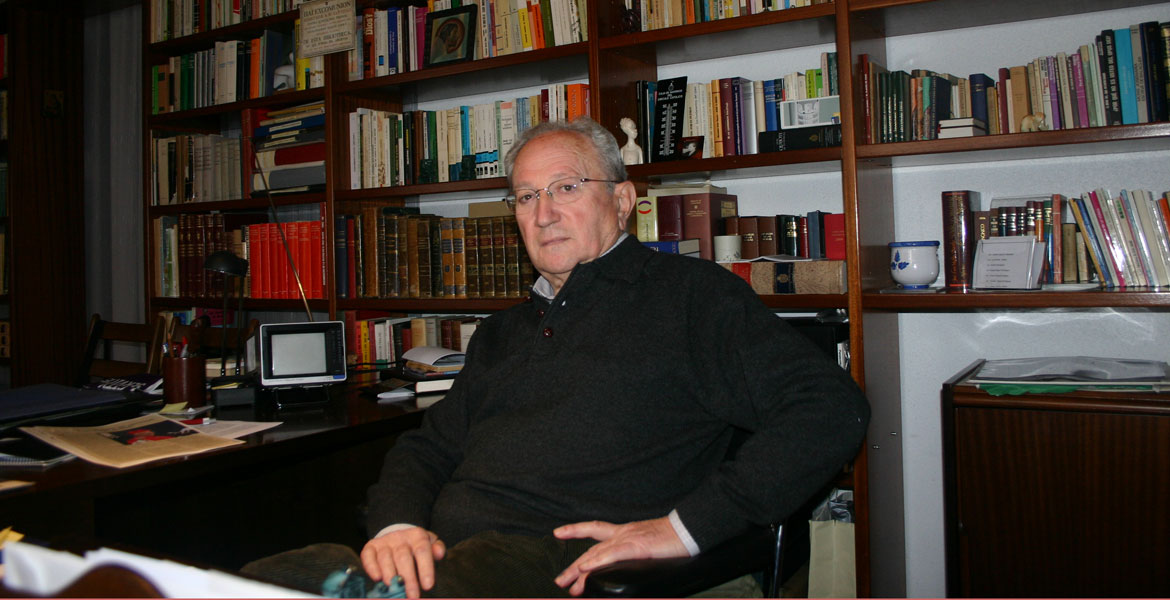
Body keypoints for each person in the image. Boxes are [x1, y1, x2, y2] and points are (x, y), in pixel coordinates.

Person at [242, 117, 868, 598]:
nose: (543, 214)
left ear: (621, 201)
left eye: (566, 187)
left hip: (552, 563)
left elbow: (831, 410)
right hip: (439, 556)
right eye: (524, 197)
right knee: (251, 581)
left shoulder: (692, 300)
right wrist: (395, 527)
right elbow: (426, 449)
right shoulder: (502, 333)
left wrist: (683, 528)